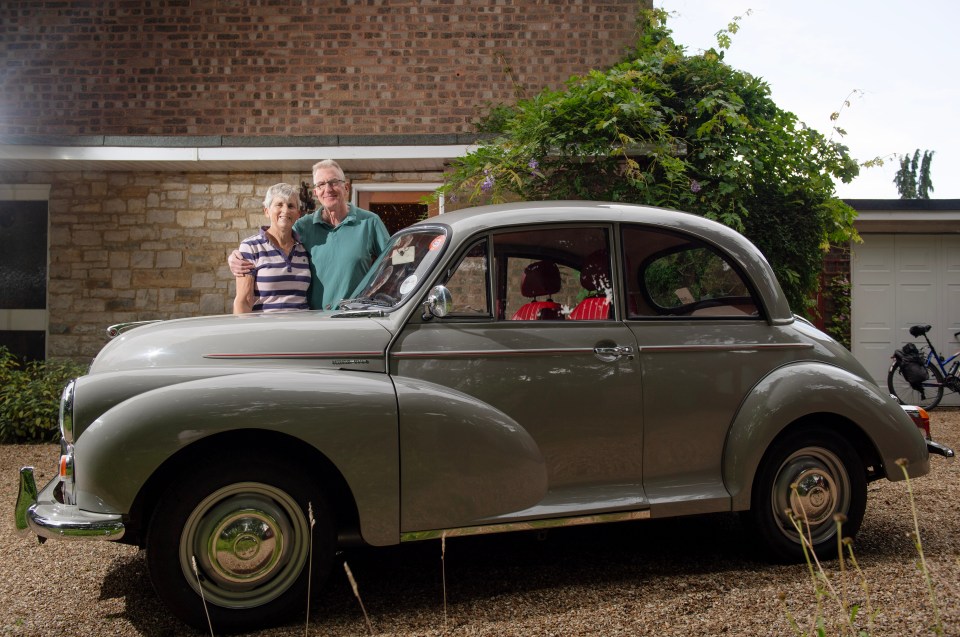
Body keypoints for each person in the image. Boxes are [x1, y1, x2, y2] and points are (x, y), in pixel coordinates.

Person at [229, 160, 391, 310]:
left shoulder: (370, 222)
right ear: (316, 192)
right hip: (313, 322)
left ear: (346, 188)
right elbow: (275, 237)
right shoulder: (303, 226)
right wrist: (236, 257)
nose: (328, 189)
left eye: (334, 182)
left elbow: (395, 264)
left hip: (353, 319)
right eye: (321, 184)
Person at [233, 183, 311, 313]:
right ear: (267, 211)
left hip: (301, 328)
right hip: (266, 330)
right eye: (279, 204)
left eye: (291, 206)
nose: (285, 210)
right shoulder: (251, 247)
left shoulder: (304, 249)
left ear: (298, 214)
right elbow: (244, 301)